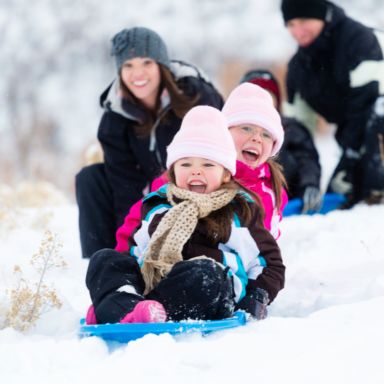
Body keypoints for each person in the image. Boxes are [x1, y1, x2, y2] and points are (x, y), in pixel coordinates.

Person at [85, 106, 285, 324]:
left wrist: (257, 296)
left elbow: (268, 263)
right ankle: (126, 306)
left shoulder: (240, 211)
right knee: (105, 258)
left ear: (226, 173)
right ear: (173, 171)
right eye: (186, 163)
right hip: (154, 283)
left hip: (210, 292)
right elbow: (135, 251)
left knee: (205, 273)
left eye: (208, 164)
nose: (196, 171)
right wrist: (117, 278)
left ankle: (125, 311)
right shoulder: (157, 206)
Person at [76, 27, 224, 258]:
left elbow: (221, 155)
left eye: (146, 62)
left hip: (199, 186)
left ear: (161, 65)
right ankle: (103, 260)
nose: (138, 73)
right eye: (128, 65)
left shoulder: (197, 96)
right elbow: (123, 182)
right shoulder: (115, 116)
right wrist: (129, 241)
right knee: (90, 178)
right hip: (149, 193)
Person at [114, 82, 288, 254]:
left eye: (266, 134)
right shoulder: (189, 170)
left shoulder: (272, 190)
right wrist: (123, 256)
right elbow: (141, 218)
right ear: (225, 133)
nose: (257, 138)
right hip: (173, 258)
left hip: (228, 269)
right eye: (247, 128)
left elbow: (266, 245)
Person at [281, 0, 384, 206]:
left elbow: (367, 104)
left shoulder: (359, 39)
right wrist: (299, 181)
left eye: (303, 20)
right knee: (343, 193)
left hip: (375, 124)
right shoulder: (298, 69)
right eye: (291, 24)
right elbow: (297, 131)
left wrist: (349, 159)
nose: (297, 31)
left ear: (322, 15)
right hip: (352, 134)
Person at [240, 69, 322, 213]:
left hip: (288, 200)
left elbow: (307, 159)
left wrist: (309, 184)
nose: (263, 104)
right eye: (257, 98)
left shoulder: (291, 128)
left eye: (268, 97)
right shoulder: (233, 131)